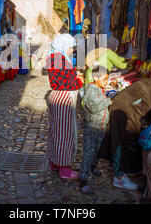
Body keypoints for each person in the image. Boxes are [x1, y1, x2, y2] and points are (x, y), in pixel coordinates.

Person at [45, 34, 84, 180]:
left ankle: (55, 161)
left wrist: (74, 75)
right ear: (63, 45)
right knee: (64, 134)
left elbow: (64, 77)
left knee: (56, 131)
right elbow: (65, 83)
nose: (71, 51)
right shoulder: (58, 59)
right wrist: (79, 81)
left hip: (58, 97)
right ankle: (64, 169)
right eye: (70, 47)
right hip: (63, 98)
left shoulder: (56, 57)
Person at [79, 66, 112, 194]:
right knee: (88, 151)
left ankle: (93, 165)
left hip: (101, 125)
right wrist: (109, 101)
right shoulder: (92, 90)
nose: (106, 82)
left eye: (107, 79)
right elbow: (93, 107)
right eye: (104, 79)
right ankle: (83, 179)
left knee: (97, 149)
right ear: (95, 78)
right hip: (92, 126)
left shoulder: (99, 88)